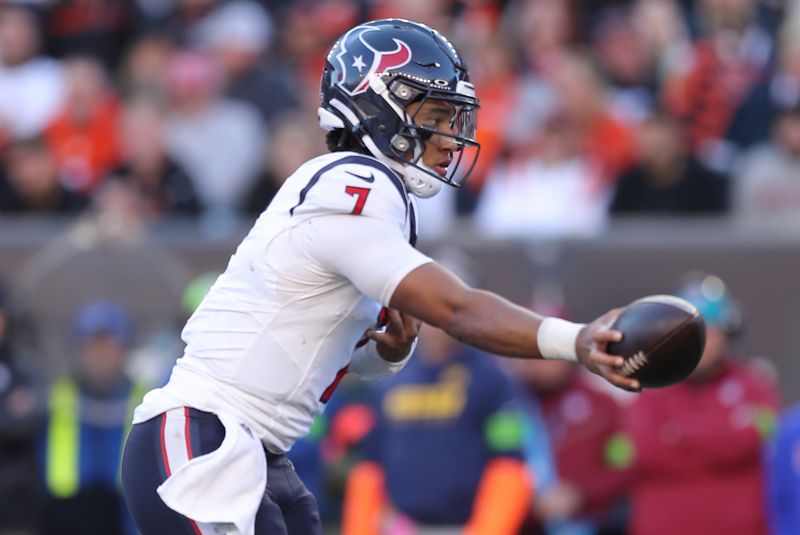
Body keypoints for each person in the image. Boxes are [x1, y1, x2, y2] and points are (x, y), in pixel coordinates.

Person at [121, 18, 640, 535]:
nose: (451, 137)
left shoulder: (373, 200)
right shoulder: (356, 180)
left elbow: (318, 356)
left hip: (258, 449)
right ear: (379, 106)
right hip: (204, 433)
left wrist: (386, 352)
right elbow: (455, 310)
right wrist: (576, 340)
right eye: (437, 114)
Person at [342, 250, 532, 535]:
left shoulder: (492, 379)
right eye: (429, 305)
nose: (437, 317)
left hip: (463, 527)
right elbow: (371, 467)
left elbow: (509, 465)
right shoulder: (392, 375)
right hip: (400, 527)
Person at [617, 273, 780, 535]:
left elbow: (758, 440)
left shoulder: (754, 385)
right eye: (692, 331)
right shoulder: (646, 387)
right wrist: (723, 433)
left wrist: (678, 434)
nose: (705, 341)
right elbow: (642, 450)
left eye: (712, 330)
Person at [40, 299, 148, 535]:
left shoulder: (146, 400)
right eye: (92, 347)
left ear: (124, 349)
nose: (100, 356)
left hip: (126, 518)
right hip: (66, 518)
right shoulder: (58, 397)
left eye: (108, 346)